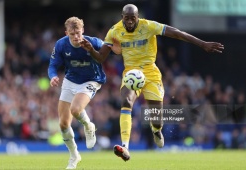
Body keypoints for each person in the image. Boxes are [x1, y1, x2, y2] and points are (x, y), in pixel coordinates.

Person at [80, 4, 224, 161]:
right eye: (126, 18)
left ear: (137, 18)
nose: (129, 22)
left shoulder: (148, 26)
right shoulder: (114, 31)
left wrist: (202, 44)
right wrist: (91, 50)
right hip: (131, 73)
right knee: (126, 101)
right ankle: (125, 147)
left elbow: (177, 33)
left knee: (156, 117)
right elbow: (101, 57)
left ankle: (156, 130)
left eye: (132, 18)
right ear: (122, 17)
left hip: (150, 73)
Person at [48, 16, 106, 169]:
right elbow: (52, 65)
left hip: (91, 80)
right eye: (72, 34)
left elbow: (110, 50)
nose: (76, 37)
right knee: (63, 124)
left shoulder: (93, 42)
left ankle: (88, 126)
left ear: (83, 31)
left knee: (75, 109)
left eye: (78, 33)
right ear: (66, 33)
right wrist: (53, 76)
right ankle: (74, 156)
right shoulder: (61, 45)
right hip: (70, 80)